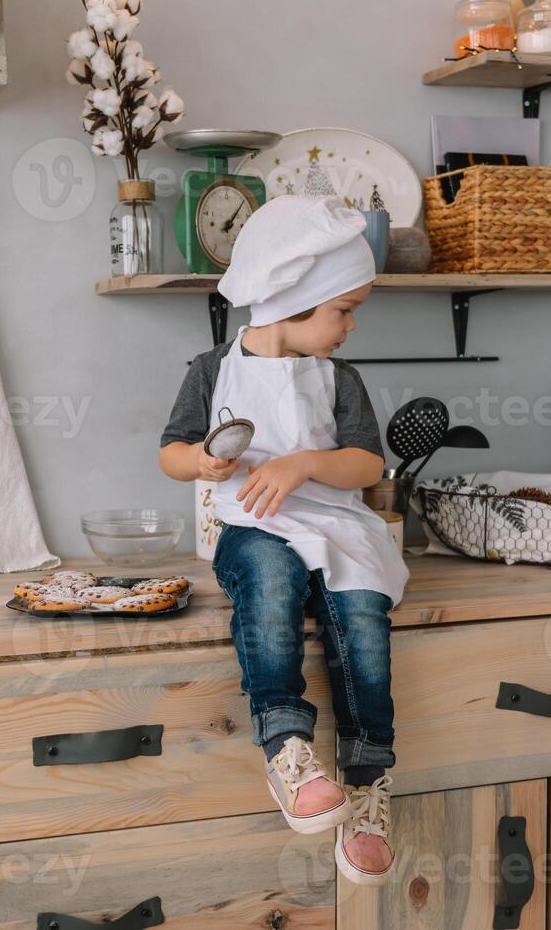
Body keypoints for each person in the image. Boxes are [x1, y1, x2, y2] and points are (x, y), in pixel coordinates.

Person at [158, 195, 409, 885]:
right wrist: (202, 463)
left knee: (361, 613)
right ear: (297, 301)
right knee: (267, 588)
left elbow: (367, 465)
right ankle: (288, 752)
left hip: (336, 524)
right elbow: (171, 452)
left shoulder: (340, 380)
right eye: (344, 309)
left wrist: (302, 464)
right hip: (252, 527)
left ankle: (366, 782)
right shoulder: (210, 372)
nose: (350, 325)